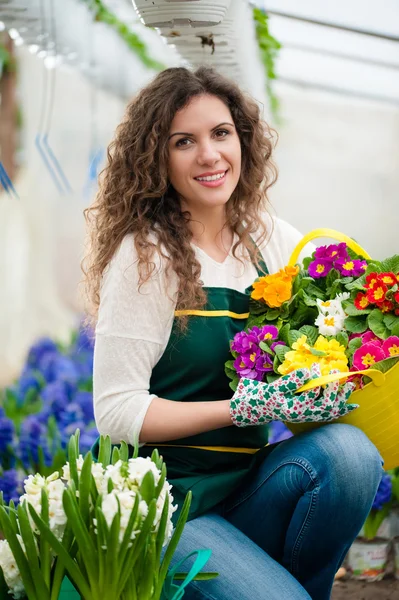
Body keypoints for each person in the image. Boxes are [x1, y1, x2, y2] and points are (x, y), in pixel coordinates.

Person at [83, 67, 383, 600]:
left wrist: (326, 383)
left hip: (247, 490)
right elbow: (117, 412)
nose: (209, 155)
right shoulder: (145, 257)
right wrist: (240, 409)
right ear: (156, 157)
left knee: (352, 455)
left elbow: (350, 305)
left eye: (221, 133)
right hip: (169, 504)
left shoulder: (267, 239)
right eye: (184, 142)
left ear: (241, 138)